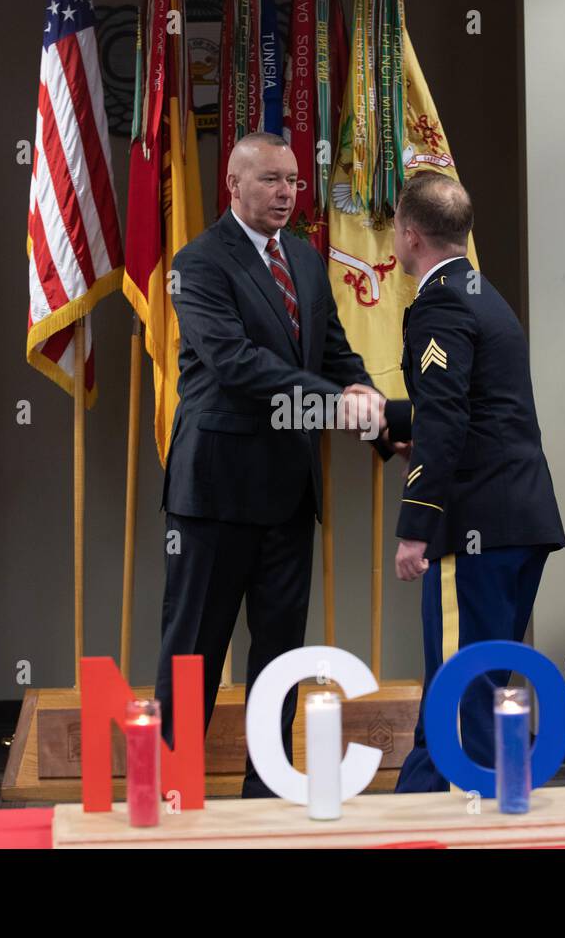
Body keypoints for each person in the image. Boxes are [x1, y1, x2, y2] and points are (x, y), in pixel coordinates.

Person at [155, 132, 385, 797]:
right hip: (215, 495)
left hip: (289, 494)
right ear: (233, 184)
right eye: (271, 180)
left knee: (280, 658)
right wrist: (337, 404)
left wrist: (370, 412)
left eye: (293, 181)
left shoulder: (307, 260)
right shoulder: (198, 264)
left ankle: (268, 797)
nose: (287, 193)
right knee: (193, 654)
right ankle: (173, 793)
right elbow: (236, 365)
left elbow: (332, 352)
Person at [382, 172, 565, 793]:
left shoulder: (439, 302)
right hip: (520, 515)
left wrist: (416, 526)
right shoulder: (486, 293)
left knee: (464, 689)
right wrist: (386, 417)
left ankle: (472, 819)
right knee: (476, 686)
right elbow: (478, 407)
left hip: (474, 525)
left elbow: (446, 418)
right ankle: (428, 806)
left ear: (409, 235)